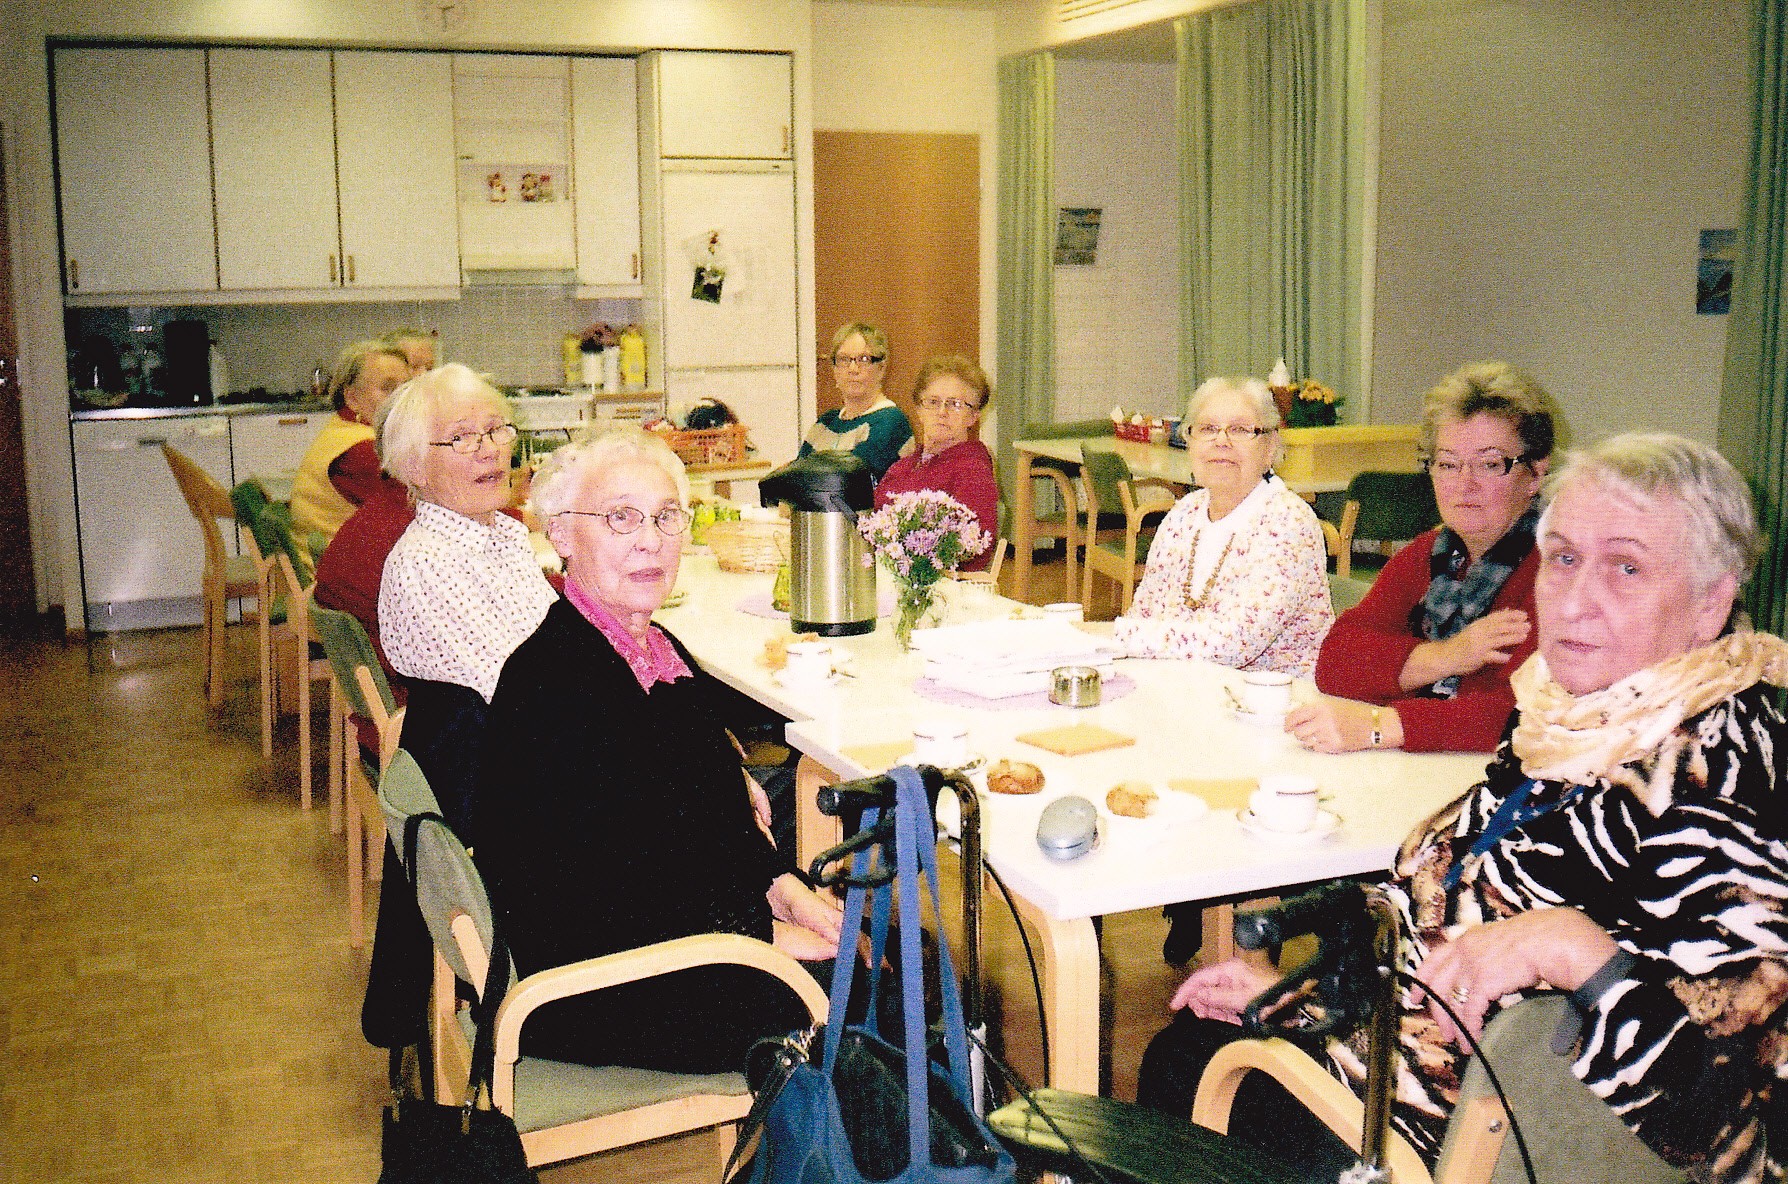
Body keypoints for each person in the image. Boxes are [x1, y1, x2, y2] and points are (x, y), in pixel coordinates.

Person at [1138, 433, 1788, 1182]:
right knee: (1189, 1047)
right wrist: (1306, 997)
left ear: (1710, 604)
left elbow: (1727, 1131)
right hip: (1402, 1062)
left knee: (1196, 1076)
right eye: (1566, 558)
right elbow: (1439, 917)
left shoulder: (1726, 788)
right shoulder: (1569, 723)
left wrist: (1581, 954)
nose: (1575, 598)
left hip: (1467, 1144)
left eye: (1627, 567)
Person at [470, 426, 843, 1073]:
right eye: (620, 518)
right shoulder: (551, 685)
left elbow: (710, 815)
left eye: (666, 516)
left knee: (891, 949)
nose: (650, 540)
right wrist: (760, 934)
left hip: (680, 936)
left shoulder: (654, 652)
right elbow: (594, 893)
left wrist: (781, 887)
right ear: (560, 535)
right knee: (886, 989)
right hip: (602, 981)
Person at [1291, 362, 1556, 753]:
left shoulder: (1558, 571)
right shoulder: (1428, 555)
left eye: (1489, 464)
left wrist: (1380, 725)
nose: (1464, 484)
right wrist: (1448, 656)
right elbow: (1335, 661)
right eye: (1448, 464)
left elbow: (1524, 714)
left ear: (1534, 474)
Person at [1113, 376, 1332, 675]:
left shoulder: (1289, 523)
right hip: (1186, 687)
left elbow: (1233, 643)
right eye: (1207, 429)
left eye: (1241, 430)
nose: (1221, 441)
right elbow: (1144, 614)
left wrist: (1111, 637)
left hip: (1273, 702)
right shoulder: (1184, 514)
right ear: (1188, 442)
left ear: (1270, 447)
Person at [376, 363, 555, 708]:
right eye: (461, 438)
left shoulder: (502, 535)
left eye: (494, 430)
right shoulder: (427, 565)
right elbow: (513, 698)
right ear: (416, 468)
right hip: (501, 753)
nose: (489, 450)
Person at [872, 355, 999, 572]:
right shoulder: (902, 468)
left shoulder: (973, 470)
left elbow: (975, 551)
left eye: (955, 404)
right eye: (932, 402)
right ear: (919, 410)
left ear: (973, 417)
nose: (942, 412)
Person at [291, 340, 411, 544]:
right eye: (388, 388)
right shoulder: (362, 452)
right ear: (352, 398)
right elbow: (413, 518)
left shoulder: (343, 429)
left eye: (407, 388)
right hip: (340, 571)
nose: (403, 398)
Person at [799, 322, 913, 481]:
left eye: (864, 359)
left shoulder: (891, 422)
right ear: (834, 369)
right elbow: (793, 478)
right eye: (844, 359)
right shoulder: (825, 423)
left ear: (881, 368)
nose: (853, 369)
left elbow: (845, 481)